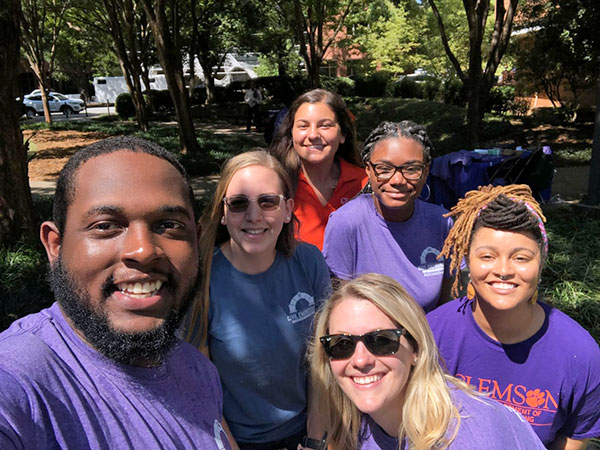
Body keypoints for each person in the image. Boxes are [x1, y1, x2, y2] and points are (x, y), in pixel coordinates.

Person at [0, 137, 233, 449]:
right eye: (105, 226)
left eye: (168, 225)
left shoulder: (199, 370)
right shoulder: (18, 382)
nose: (143, 250)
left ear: (197, 240)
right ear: (55, 246)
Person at [427, 184, 600, 449]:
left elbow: (573, 436)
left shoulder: (580, 355)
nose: (504, 270)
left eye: (521, 258)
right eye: (487, 256)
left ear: (541, 263)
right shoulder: (432, 333)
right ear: (467, 260)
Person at [182, 150, 331, 449]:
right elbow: (200, 387)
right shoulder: (202, 280)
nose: (253, 215)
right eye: (238, 204)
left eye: (268, 201)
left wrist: (315, 441)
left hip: (309, 431)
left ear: (288, 209)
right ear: (223, 213)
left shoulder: (309, 262)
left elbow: (323, 361)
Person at [308, 273, 545, 450]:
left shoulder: (464, 438)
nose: (360, 360)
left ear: (416, 349)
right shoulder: (357, 421)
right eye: (341, 344)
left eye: (381, 340)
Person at [322, 121, 454, 312]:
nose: (397, 180)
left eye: (411, 169)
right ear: (368, 170)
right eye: (384, 169)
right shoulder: (345, 223)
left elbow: (447, 305)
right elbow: (337, 307)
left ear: (425, 172)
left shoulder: (442, 223)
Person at [270, 88, 366, 250]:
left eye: (325, 126)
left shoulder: (365, 184)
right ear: (291, 133)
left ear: (342, 134)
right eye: (303, 126)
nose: (313, 135)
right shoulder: (275, 183)